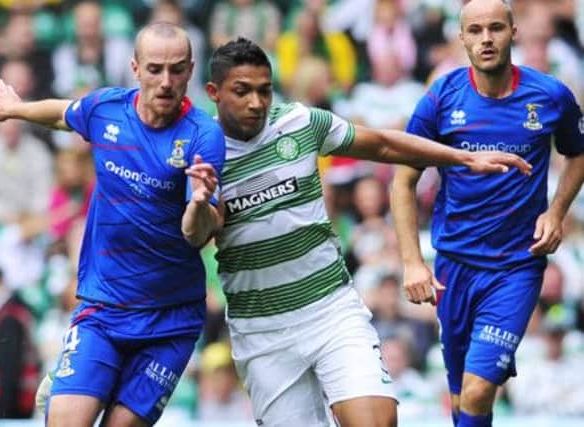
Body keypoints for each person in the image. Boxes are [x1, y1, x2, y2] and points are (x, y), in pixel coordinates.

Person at [205, 37, 531, 427]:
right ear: (215, 92)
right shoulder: (202, 151)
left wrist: (463, 158)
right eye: (242, 91)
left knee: (377, 422)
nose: (257, 103)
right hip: (261, 329)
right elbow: (195, 235)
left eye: (264, 90)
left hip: (329, 309)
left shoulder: (301, 123)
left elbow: (384, 144)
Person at [0, 22, 225, 427]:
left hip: (170, 320)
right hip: (104, 308)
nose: (166, 81)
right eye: (154, 69)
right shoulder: (107, 109)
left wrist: (200, 203)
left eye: (177, 70)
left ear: (191, 69)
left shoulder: (203, 136)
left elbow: (196, 235)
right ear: (135, 68)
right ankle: (73, 381)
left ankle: (79, 381)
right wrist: (17, 109)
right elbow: (63, 113)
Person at [390, 1, 584, 426]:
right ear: (461, 39)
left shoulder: (549, 95)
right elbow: (402, 181)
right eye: (474, 30)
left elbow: (579, 153)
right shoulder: (442, 98)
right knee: (461, 399)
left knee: (479, 392)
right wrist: (411, 262)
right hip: (454, 267)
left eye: (495, 28)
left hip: (516, 266)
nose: (485, 39)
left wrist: (556, 212)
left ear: (513, 32)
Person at [0, 259, 41, 419]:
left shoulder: (9, 316)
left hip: (3, 409)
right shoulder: (5, 313)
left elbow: (9, 370)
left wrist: (5, 415)